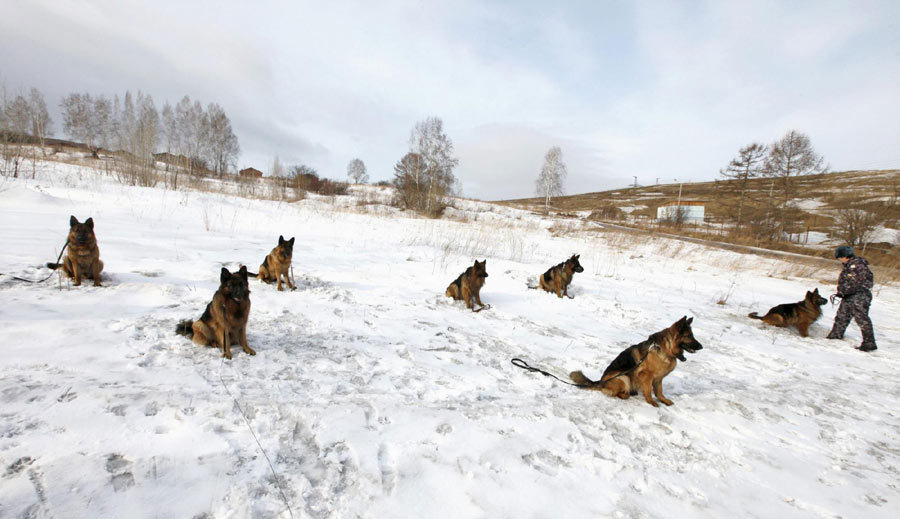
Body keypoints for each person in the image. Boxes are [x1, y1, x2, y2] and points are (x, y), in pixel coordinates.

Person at [826, 246, 877, 351]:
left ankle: (869, 343)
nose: (839, 259)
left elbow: (856, 282)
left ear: (844, 256)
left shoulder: (857, 265)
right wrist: (842, 292)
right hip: (849, 295)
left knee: (861, 319)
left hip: (859, 296)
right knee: (842, 316)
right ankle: (836, 335)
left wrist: (844, 291)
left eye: (839, 257)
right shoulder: (849, 265)